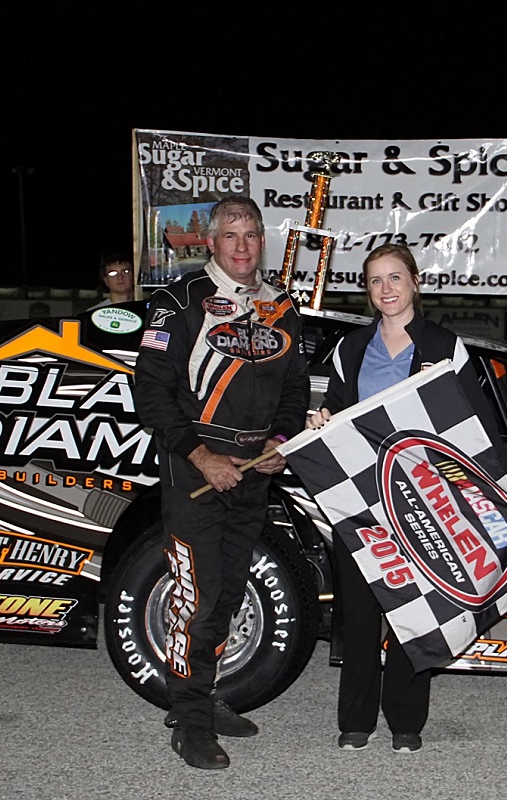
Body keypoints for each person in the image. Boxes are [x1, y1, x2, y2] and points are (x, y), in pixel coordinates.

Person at [306, 243, 507, 754]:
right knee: (362, 611)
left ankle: (407, 721)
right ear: (367, 290)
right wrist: (320, 417)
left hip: (425, 499)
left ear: (415, 282)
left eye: (395, 278)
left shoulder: (444, 344)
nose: (386, 289)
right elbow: (335, 410)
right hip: (362, 498)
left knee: (416, 611)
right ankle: (355, 720)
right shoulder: (350, 348)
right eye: (375, 281)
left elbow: (476, 425)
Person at [133, 196, 309, 770]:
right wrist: (201, 455)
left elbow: (294, 390)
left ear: (263, 241)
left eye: (252, 235)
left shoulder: (281, 306)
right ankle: (189, 720)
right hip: (195, 474)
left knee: (230, 594)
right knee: (198, 601)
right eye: (230, 235)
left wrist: (280, 439)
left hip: (253, 474)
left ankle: (203, 695)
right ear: (210, 242)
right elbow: (151, 393)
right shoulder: (178, 302)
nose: (241, 246)